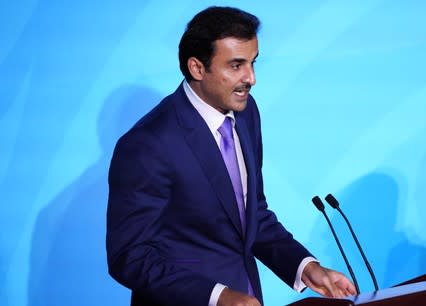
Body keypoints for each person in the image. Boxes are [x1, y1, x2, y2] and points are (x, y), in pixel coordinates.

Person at [106, 6, 356, 306]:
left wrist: (307, 268)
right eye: (236, 65)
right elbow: (130, 256)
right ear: (197, 68)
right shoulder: (148, 144)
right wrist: (218, 296)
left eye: (252, 63)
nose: (250, 78)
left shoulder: (247, 114)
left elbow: (252, 217)